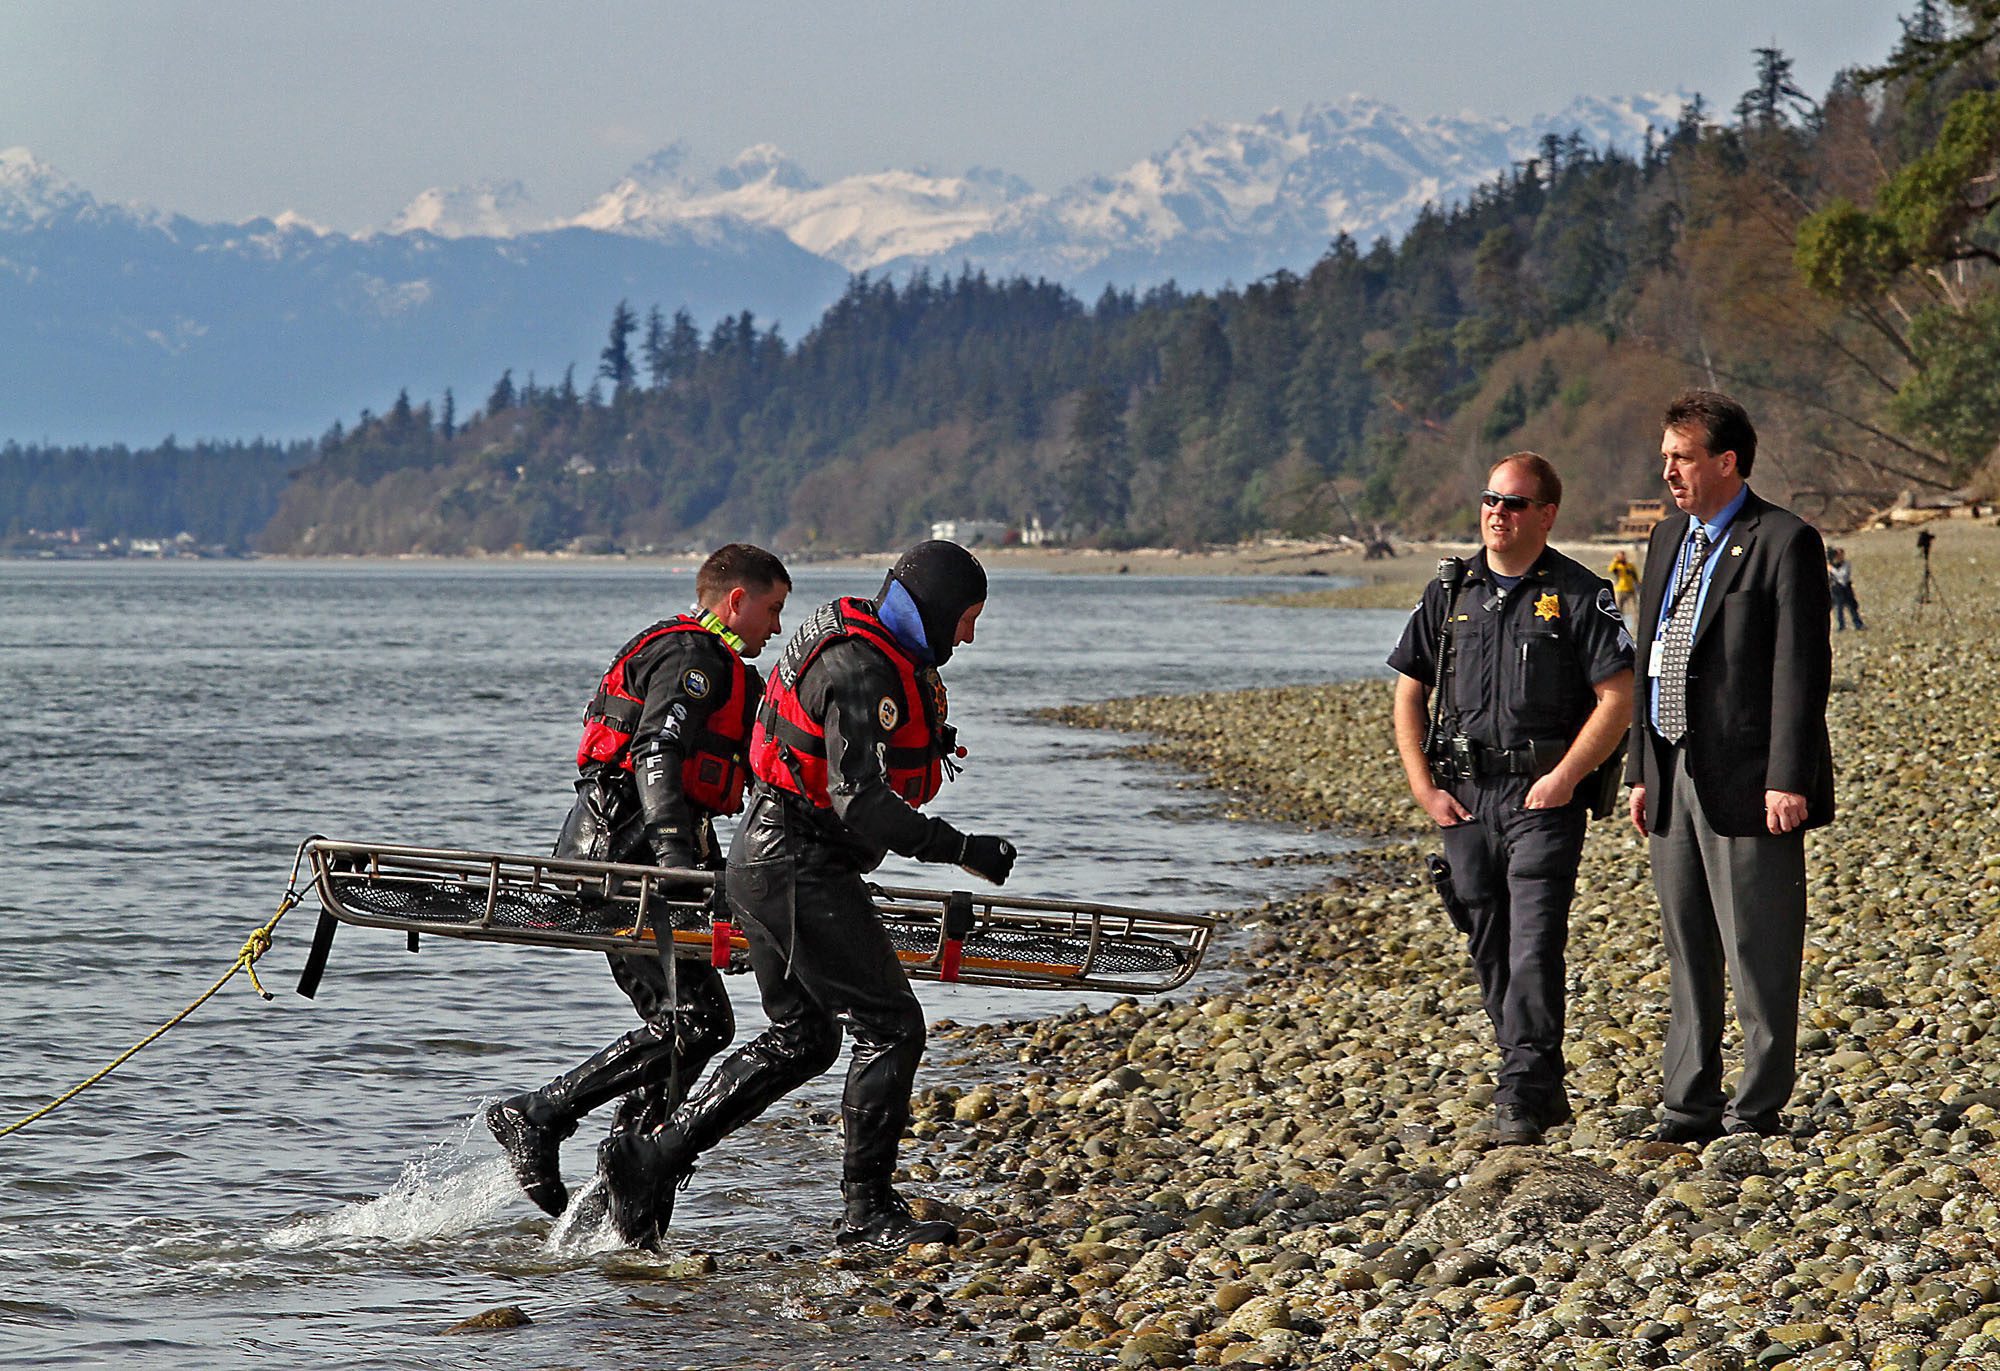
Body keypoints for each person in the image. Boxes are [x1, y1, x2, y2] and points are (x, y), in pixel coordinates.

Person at [598, 540, 1018, 1250]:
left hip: (766, 857)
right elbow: (861, 803)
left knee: (807, 1037)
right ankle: (867, 1212)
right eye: (966, 619)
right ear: (937, 607)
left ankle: (652, 1156)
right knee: (893, 1027)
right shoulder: (860, 667)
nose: (968, 637)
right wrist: (962, 849)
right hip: (797, 863)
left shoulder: (862, 645)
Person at [485, 543, 791, 1216]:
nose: (776, 627)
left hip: (651, 861)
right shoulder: (692, 659)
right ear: (736, 600)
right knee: (696, 1023)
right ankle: (541, 1115)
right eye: (772, 609)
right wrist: (675, 857)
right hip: (620, 861)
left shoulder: (719, 665)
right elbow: (656, 750)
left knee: (693, 1024)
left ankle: (622, 1186)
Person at [1389, 453, 1635, 1145]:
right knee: (1486, 936)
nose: (1498, 512)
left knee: (1533, 942)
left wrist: (1567, 777)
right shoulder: (1449, 591)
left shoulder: (1580, 593)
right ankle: (1538, 1079)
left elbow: (1618, 695)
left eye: (1515, 503)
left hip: (1542, 797)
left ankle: (1520, 1091)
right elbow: (1410, 691)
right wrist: (1423, 786)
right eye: (1490, 499)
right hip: (1464, 795)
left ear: (1546, 515)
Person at [1627, 390, 1833, 1144]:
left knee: (1757, 948)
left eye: (1682, 458)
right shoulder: (1664, 539)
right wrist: (1640, 770)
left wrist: (1789, 777)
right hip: (1671, 769)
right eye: (1665, 458)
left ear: (1727, 461)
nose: (1668, 472)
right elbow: (1648, 661)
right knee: (1686, 946)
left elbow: (1801, 671)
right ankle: (1688, 1105)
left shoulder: (1783, 540)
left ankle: (1755, 1107)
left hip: (1750, 777)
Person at [1826, 547, 1863, 631]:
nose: (1840, 557)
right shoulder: (1831, 565)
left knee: (1852, 607)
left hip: (1846, 588)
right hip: (1837, 589)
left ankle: (1858, 624)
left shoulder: (1846, 564)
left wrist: (1832, 569)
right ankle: (1841, 626)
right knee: (1838, 608)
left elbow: (1843, 576)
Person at [1608, 549, 1640, 625]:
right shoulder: (1617, 566)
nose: (1622, 557)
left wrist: (1638, 585)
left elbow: (1635, 577)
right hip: (1620, 590)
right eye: (1620, 556)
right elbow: (1610, 569)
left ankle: (1637, 623)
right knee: (1618, 608)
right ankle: (1617, 623)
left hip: (1630, 590)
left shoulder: (1630, 566)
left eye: (1623, 555)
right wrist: (1616, 560)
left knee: (1634, 609)